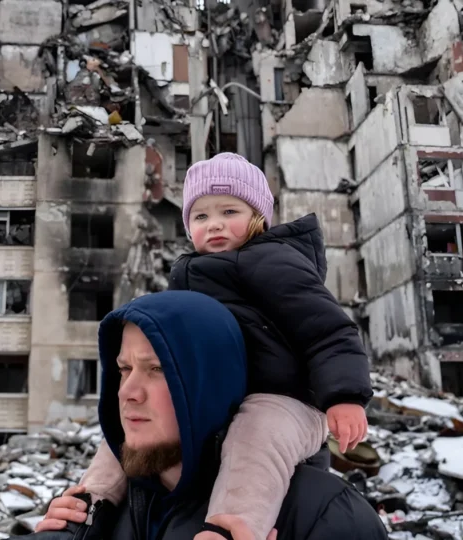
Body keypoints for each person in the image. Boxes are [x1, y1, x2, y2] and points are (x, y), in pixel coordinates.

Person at [78, 153, 374, 540]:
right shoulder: (188, 274)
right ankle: (88, 506)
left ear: (259, 217)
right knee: (132, 426)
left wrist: (345, 396)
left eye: (229, 211)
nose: (214, 224)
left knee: (255, 433)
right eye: (200, 217)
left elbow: (328, 331)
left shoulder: (272, 260)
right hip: (223, 398)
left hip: (287, 401)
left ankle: (232, 527)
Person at [27, 291, 387, 540]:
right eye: (124, 369)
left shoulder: (325, 514)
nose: (128, 392)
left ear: (210, 384)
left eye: (157, 370)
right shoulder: (104, 509)